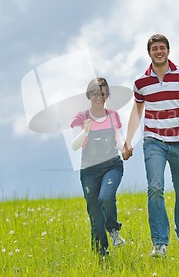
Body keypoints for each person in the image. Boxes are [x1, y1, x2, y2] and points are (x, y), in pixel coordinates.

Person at [122, 34, 179, 258]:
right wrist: (128, 141)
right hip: (154, 141)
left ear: (168, 51)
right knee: (154, 188)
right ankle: (160, 244)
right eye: (154, 48)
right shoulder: (141, 83)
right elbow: (137, 111)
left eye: (162, 48)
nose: (159, 51)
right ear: (149, 53)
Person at [71, 77, 126, 256]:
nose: (98, 97)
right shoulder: (81, 117)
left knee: (106, 197)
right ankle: (101, 254)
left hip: (112, 165)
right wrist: (85, 132)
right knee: (95, 215)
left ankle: (113, 229)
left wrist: (125, 148)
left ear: (107, 95)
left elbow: (119, 139)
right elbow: (74, 145)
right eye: (94, 93)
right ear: (89, 95)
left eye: (102, 93)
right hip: (89, 171)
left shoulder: (113, 116)